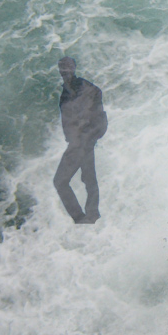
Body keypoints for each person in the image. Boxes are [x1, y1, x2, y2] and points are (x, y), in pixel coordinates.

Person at [53, 57, 107, 224]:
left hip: (82, 141)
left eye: (68, 67)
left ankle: (81, 218)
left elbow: (96, 95)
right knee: (89, 178)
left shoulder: (81, 86)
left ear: (74, 67)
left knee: (60, 181)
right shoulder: (67, 90)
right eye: (62, 67)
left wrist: (87, 132)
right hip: (81, 141)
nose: (65, 70)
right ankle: (92, 216)